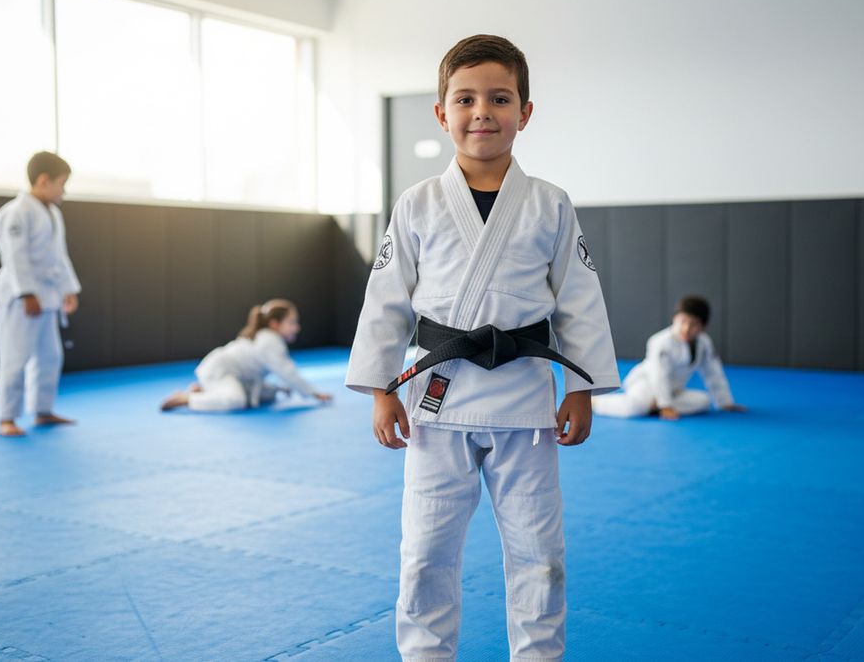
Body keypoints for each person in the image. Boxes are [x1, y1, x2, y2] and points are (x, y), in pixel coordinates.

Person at [345, 35, 619, 661]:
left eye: (500, 98)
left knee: (539, 554)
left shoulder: (550, 203)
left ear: (525, 111)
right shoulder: (416, 203)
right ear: (441, 114)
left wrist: (582, 387)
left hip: (526, 400)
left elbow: (579, 298)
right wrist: (382, 390)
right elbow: (386, 300)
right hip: (435, 401)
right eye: (465, 99)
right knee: (425, 553)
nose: (482, 112)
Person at [0, 151, 80, 437]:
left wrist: (69, 289)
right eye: (61, 184)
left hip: (48, 295)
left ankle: (42, 410)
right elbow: (14, 256)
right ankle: (7, 417)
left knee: (50, 356)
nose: (63, 191)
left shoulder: (53, 213)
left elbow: (60, 257)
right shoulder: (16, 212)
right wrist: (26, 293)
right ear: (43, 181)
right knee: (15, 357)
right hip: (21, 298)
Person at [161, 299, 332, 412]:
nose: (297, 328)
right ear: (274, 324)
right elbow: (287, 372)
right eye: (292, 322)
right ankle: (186, 398)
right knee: (237, 401)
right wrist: (314, 393)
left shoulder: (269, 337)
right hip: (219, 371)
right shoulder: (269, 341)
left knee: (270, 394)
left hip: (241, 377)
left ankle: (205, 390)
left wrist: (281, 389)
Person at [592, 295, 746, 419]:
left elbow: (713, 372)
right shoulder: (660, 341)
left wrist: (725, 402)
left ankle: (654, 407)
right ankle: (596, 403)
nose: (686, 328)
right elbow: (659, 375)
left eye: (693, 324)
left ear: (703, 326)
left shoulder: (704, 342)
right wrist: (666, 405)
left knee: (703, 402)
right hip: (646, 383)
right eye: (683, 321)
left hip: (674, 390)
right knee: (636, 408)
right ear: (675, 319)